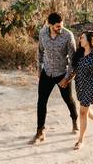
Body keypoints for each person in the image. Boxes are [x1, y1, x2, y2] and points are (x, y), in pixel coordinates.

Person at [31, 12, 78, 144]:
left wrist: (67, 78)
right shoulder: (42, 33)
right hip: (47, 73)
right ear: (49, 25)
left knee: (68, 99)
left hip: (62, 73)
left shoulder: (68, 36)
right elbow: (40, 52)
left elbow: (73, 60)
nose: (60, 28)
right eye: (57, 26)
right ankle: (40, 131)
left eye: (61, 26)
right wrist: (39, 69)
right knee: (41, 102)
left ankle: (74, 119)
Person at [66, 31, 93, 151]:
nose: (80, 40)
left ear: (89, 40)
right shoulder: (79, 54)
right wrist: (67, 80)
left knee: (82, 112)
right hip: (80, 85)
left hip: (90, 86)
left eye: (82, 38)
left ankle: (81, 140)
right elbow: (76, 71)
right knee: (85, 109)